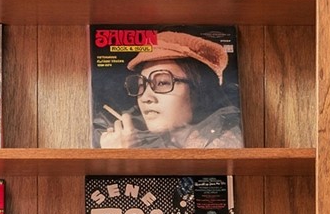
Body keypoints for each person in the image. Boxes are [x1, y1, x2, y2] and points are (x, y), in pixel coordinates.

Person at [97, 30, 242, 150]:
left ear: (199, 90)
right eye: (141, 85)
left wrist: (122, 161)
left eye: (162, 83)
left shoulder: (224, 146)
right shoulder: (164, 144)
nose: (145, 97)